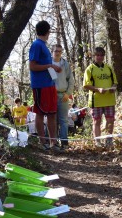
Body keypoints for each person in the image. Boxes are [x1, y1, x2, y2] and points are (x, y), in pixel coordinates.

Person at [29, 20, 62, 150]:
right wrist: (49, 65)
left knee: (52, 113)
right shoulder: (36, 45)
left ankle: (53, 143)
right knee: (40, 113)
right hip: (40, 85)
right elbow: (32, 66)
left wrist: (53, 68)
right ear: (47, 32)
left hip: (50, 84)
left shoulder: (44, 45)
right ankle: (43, 142)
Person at [83, 47, 118, 147]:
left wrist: (113, 88)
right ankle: (98, 142)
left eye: (101, 55)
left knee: (110, 120)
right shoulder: (89, 69)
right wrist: (98, 89)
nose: (99, 57)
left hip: (109, 99)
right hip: (96, 100)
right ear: (94, 56)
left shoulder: (109, 68)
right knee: (97, 121)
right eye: (97, 55)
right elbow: (86, 85)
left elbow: (115, 82)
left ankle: (109, 140)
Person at [52, 44, 74, 150]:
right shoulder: (48, 64)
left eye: (60, 51)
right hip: (51, 95)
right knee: (52, 119)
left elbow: (71, 80)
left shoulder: (65, 64)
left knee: (64, 120)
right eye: (56, 51)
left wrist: (68, 93)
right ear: (52, 51)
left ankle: (64, 143)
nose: (58, 53)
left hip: (63, 95)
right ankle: (53, 143)